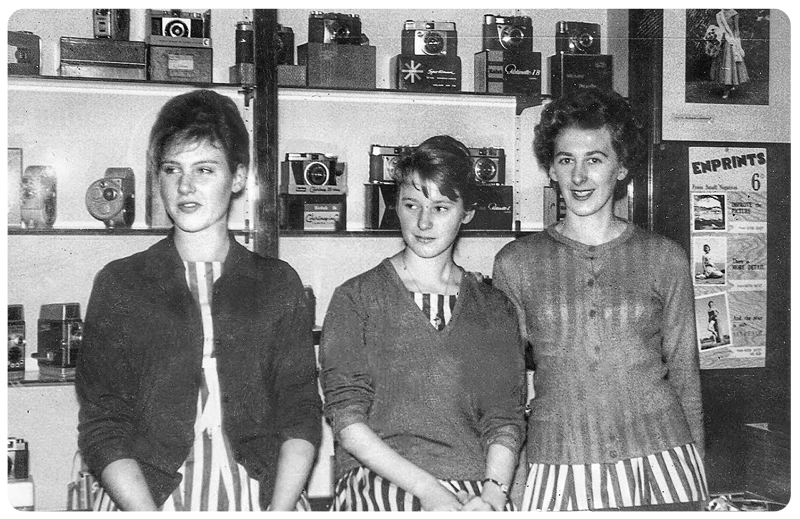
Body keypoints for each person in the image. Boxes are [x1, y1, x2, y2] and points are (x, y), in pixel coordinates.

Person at [75, 89, 321, 511]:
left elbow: (300, 413)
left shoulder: (277, 284)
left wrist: (280, 512)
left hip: (264, 496)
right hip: (143, 498)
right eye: (172, 169)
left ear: (238, 177)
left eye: (204, 169)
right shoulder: (121, 284)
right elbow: (103, 424)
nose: (185, 186)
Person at [493, 88, 708, 511]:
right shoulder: (516, 263)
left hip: (664, 466)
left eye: (594, 159)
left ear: (621, 167)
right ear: (551, 169)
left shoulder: (664, 257)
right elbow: (507, 389)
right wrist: (512, 482)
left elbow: (685, 373)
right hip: (558, 465)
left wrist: (698, 473)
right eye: (565, 160)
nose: (579, 177)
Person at [320, 135, 526, 511]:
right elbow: (347, 421)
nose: (423, 221)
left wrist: (493, 497)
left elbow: (504, 418)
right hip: (380, 483)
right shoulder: (356, 298)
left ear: (467, 212)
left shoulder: (495, 308)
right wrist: (429, 491)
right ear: (395, 205)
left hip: (476, 490)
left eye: (441, 207)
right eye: (411, 204)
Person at [710, 8, 749, 99]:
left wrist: (738, 44)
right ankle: (728, 85)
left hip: (731, 42)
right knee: (724, 65)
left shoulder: (734, 13)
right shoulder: (719, 14)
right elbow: (719, 29)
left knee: (730, 64)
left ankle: (727, 88)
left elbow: (736, 30)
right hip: (723, 41)